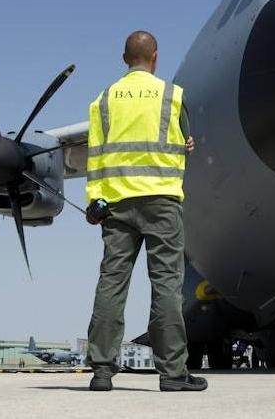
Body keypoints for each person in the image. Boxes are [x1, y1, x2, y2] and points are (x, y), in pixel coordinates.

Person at [84, 30, 206, 393]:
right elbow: (184, 143)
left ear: (124, 58)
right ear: (155, 56)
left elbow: (94, 157)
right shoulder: (173, 96)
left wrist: (95, 199)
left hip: (115, 204)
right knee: (166, 285)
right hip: (162, 203)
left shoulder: (102, 101)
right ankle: (172, 374)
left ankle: (102, 371)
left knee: (111, 283)